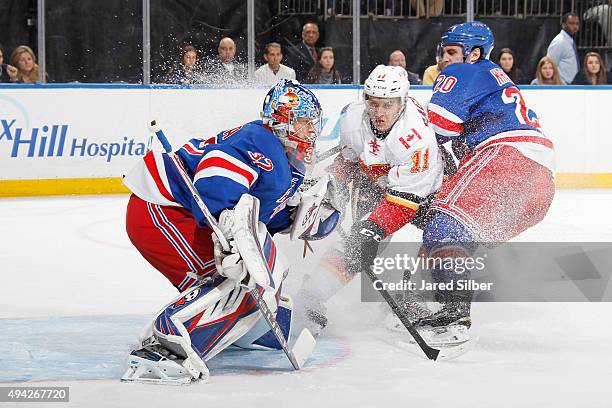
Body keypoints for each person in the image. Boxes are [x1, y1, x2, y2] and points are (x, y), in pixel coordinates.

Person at [122, 80, 338, 383]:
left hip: (184, 213)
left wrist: (297, 218)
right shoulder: (261, 142)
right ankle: (166, 346)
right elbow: (214, 175)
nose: (311, 131)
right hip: (162, 208)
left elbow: (259, 210)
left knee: (253, 280)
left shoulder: (283, 155)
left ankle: (246, 332)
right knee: (235, 280)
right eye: (303, 122)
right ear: (283, 121)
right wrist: (234, 242)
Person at [296, 65, 452, 333]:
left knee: (441, 234)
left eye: (387, 105)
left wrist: (372, 229)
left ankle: (413, 292)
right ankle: (313, 294)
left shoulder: (416, 138)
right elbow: (347, 160)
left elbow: (403, 203)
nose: (379, 113)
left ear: (402, 104)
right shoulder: (353, 119)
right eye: (374, 104)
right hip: (375, 179)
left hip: (427, 187)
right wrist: (332, 186)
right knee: (359, 246)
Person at [420, 21, 555, 333]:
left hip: (507, 158)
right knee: (451, 234)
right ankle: (435, 297)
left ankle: (454, 309)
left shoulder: (464, 71)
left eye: (451, 52)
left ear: (473, 53)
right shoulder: (495, 77)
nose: (443, 59)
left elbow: (437, 129)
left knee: (443, 226)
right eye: (443, 53)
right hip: (540, 183)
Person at [547, 12, 581, 84]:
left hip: (572, 84)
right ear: (563, 25)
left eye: (577, 24)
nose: (575, 26)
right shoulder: (559, 42)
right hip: (561, 85)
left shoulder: (569, 40)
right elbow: (549, 65)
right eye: (571, 23)